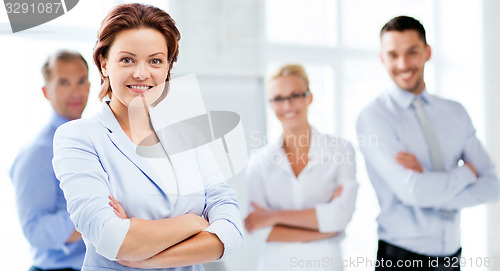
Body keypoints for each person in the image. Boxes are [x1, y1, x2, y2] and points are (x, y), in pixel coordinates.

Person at [51, 3, 244, 271]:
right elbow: (111, 239)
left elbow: (233, 233)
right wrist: (195, 223)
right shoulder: (78, 137)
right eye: (127, 59)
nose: (141, 73)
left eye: (155, 61)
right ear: (104, 63)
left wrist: (147, 255)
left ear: (167, 68)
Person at [356, 16, 499, 270]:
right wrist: (465, 174)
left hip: (453, 256)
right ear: (382, 59)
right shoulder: (374, 117)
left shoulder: (455, 112)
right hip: (401, 258)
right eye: (393, 55)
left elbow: (492, 184)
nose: (403, 64)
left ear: (427, 52)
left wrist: (432, 189)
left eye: (412, 52)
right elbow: (414, 192)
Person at [245, 64, 358, 271]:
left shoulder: (341, 151)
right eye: (278, 98)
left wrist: (274, 216)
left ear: (309, 97)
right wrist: (324, 229)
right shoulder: (259, 162)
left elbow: (341, 216)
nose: (287, 105)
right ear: (270, 104)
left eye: (295, 95)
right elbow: (255, 227)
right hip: (276, 265)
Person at [9, 50, 90, 271]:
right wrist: (96, 218)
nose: (76, 91)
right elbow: (36, 229)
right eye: (64, 83)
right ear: (46, 91)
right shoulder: (38, 151)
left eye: (82, 81)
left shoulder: (92, 141)